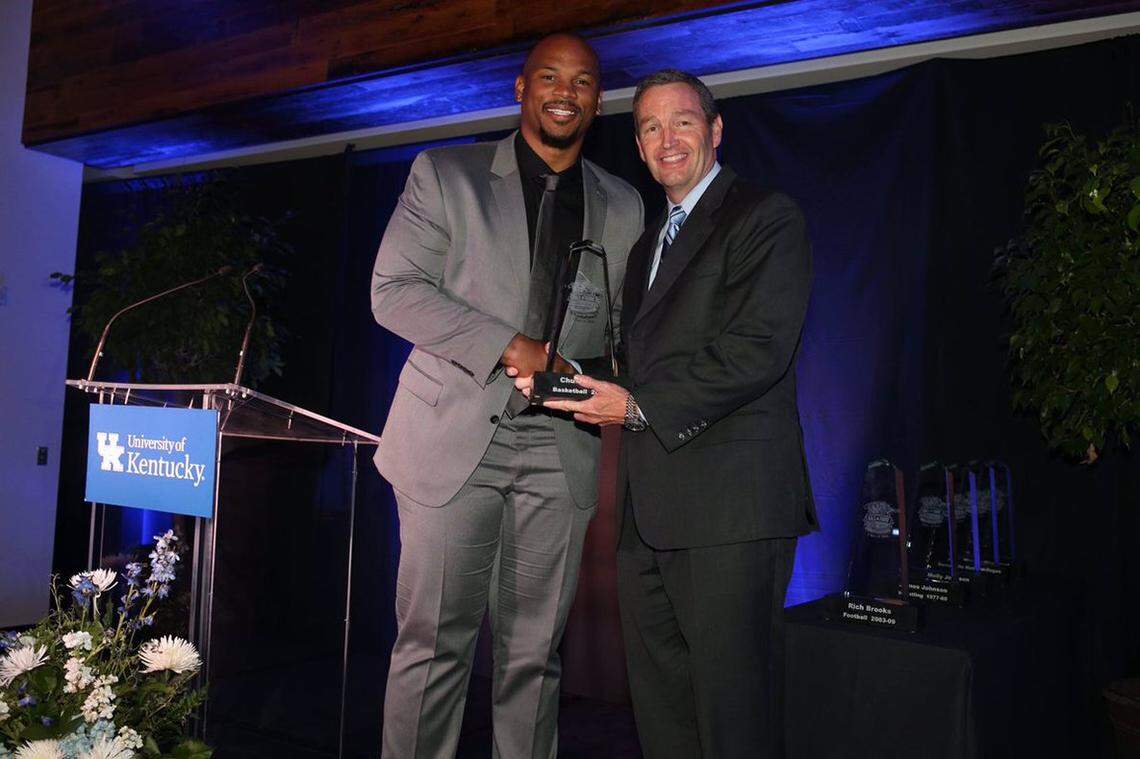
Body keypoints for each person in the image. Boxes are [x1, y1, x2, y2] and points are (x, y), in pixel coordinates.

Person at [523, 69, 817, 758]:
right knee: (665, 721)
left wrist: (636, 404)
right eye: (650, 126)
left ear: (716, 131)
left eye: (683, 121)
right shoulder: (645, 244)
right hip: (647, 517)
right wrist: (568, 377)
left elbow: (757, 352)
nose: (667, 138)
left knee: (733, 721)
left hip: (729, 517)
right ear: (637, 142)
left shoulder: (766, 217)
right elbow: (638, 369)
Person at [370, 32, 643, 759]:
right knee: (433, 648)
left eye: (582, 81)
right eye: (549, 77)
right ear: (520, 89)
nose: (565, 91)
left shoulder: (622, 205)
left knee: (533, 659)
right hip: (454, 440)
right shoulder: (446, 174)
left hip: (559, 449)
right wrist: (509, 344)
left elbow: (619, 328)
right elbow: (393, 291)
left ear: (597, 98)